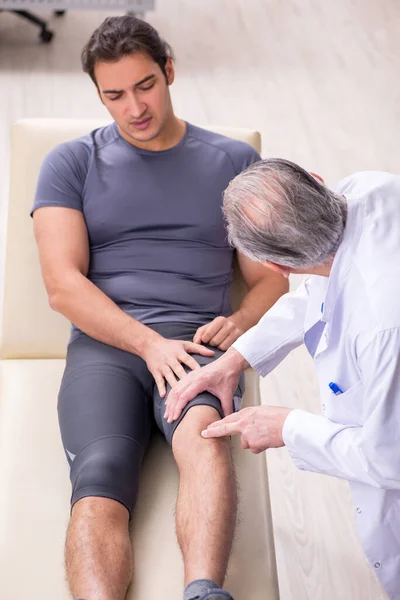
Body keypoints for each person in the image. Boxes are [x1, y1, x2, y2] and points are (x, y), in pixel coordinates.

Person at [31, 16, 288, 600]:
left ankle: (203, 591)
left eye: (145, 85)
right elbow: (62, 286)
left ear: (169, 71)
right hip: (107, 346)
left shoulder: (232, 162)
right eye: (114, 95)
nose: (134, 108)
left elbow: (269, 280)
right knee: (98, 479)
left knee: (203, 436)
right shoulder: (70, 164)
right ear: (99, 95)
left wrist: (242, 321)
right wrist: (147, 344)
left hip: (196, 344)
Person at [166, 158, 400, 600]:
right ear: (318, 181)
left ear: (275, 267)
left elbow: (388, 459)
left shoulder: (382, 328)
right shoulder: (367, 192)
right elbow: (323, 285)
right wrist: (234, 358)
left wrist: (286, 426)